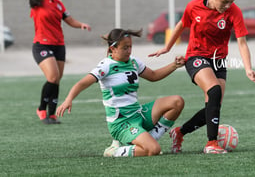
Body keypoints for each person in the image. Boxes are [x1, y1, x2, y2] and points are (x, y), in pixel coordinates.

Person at [149, 0, 255, 154]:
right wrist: (167, 47)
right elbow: (181, 24)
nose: (227, 6)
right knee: (215, 91)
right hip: (196, 57)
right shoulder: (194, 6)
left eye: (231, 2)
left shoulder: (234, 12)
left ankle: (179, 132)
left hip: (219, 61)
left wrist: (248, 69)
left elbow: (242, 43)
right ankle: (212, 143)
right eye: (224, 2)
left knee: (214, 105)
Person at [56, 28, 185, 157]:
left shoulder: (133, 61)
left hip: (138, 114)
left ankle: (152, 137)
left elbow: (153, 75)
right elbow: (82, 83)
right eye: (125, 48)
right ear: (113, 49)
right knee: (153, 150)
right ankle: (114, 152)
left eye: (130, 47)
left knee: (177, 102)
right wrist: (69, 99)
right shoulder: (106, 66)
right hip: (121, 123)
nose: (129, 51)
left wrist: (174, 65)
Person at [29, 0, 91, 124]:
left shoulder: (58, 4)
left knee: (56, 80)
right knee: (53, 77)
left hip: (59, 45)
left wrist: (81, 25)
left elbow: (69, 20)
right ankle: (41, 109)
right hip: (42, 45)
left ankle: (52, 114)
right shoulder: (39, 0)